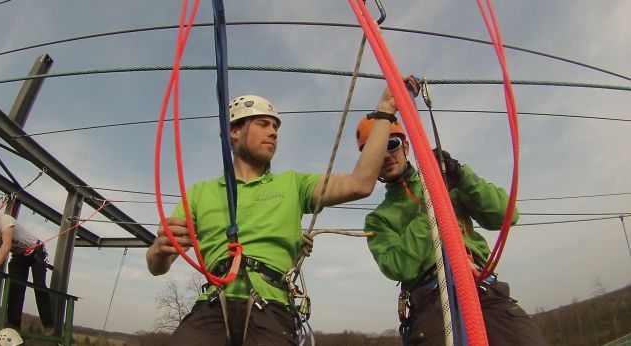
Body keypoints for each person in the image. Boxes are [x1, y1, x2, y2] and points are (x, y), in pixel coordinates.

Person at [146, 77, 420, 346]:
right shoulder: (199, 193)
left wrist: (385, 110)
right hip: (212, 305)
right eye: (263, 124)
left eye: (275, 127)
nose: (274, 132)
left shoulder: (294, 184)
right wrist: (160, 249)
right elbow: (157, 266)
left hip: (272, 306)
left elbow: (359, 184)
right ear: (235, 131)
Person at [357, 117, 548, 345]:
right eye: (377, 151)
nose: (386, 155)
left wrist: (462, 176)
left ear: (405, 146)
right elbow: (399, 267)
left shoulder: (447, 181)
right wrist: (434, 201)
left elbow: (506, 215)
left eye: (391, 145)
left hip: (482, 292)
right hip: (432, 304)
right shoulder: (378, 220)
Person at [0, 200, 54, 331]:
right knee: (15, 286)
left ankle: (48, 325)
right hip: (20, 256)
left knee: (39, 285)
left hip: (36, 251)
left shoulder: (4, 220)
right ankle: (13, 324)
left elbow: (6, 244)